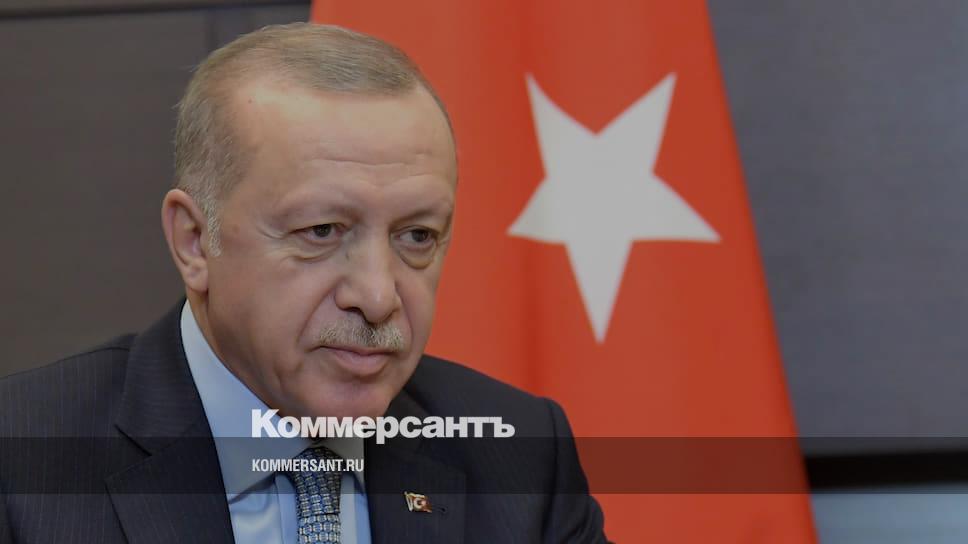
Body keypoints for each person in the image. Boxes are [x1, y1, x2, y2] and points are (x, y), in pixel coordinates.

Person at [0, 23, 607, 543]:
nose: (378, 297)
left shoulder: (520, 456)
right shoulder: (22, 461)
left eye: (417, 236)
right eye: (321, 230)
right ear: (195, 241)